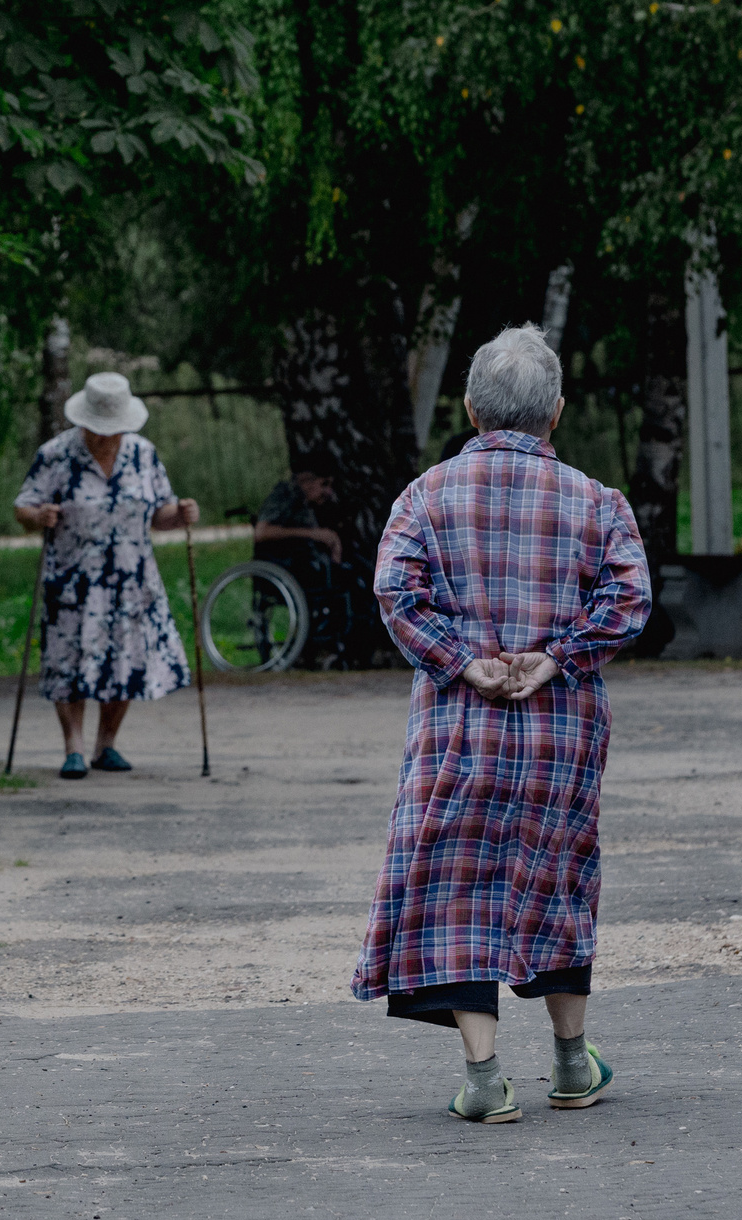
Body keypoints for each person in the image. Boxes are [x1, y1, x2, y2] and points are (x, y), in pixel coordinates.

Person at [351, 325, 651, 1123]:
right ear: (556, 412)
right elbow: (628, 600)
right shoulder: (598, 501)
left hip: (460, 729)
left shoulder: (425, 495)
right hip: (560, 732)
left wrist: (463, 661)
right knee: (558, 878)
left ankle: (483, 1080)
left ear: (470, 408)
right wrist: (558, 656)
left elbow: (398, 595)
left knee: (459, 887)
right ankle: (571, 1063)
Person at [13, 371, 201, 779]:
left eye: (114, 431)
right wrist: (39, 516)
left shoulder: (143, 454)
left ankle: (106, 745)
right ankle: (74, 748)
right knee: (69, 663)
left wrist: (181, 514)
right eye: (99, 431)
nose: (106, 438)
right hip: (72, 581)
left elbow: (160, 514)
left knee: (125, 662)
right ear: (83, 422)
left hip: (131, 582)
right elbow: (23, 507)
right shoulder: (56, 454)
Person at [252, 456, 367, 661]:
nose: (328, 492)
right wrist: (313, 534)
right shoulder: (284, 495)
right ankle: (325, 647)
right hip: (283, 565)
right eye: (324, 484)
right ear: (306, 480)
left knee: (360, 573)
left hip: (306, 563)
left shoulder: (306, 503)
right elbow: (262, 532)